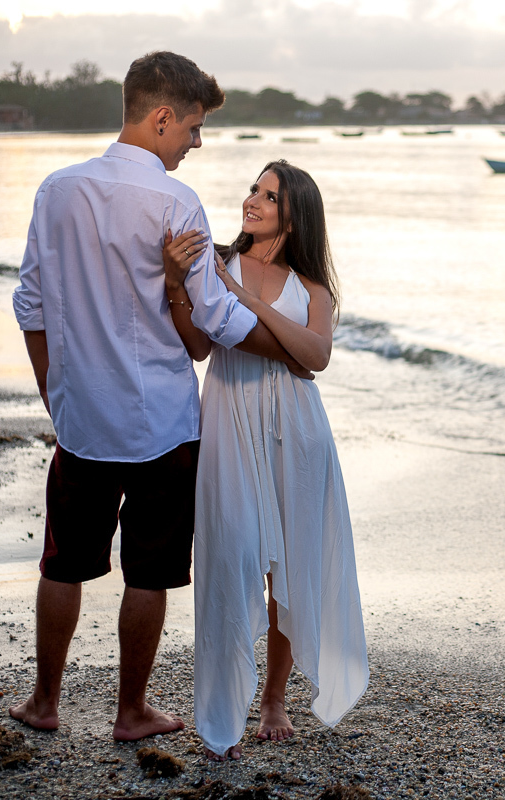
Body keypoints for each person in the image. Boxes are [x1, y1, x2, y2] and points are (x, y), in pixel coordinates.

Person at [9, 51, 306, 741]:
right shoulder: (176, 202)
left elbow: (30, 305)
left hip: (81, 421)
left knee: (63, 561)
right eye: (194, 128)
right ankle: (131, 712)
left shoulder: (57, 189)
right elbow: (217, 320)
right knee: (149, 570)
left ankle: (44, 703)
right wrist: (298, 349)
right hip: (165, 427)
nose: (197, 143)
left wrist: (54, 391)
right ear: (163, 117)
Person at [162, 160, 368, 761]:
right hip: (228, 414)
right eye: (253, 187)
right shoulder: (213, 260)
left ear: (293, 212)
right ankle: (223, 702)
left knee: (289, 566)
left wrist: (247, 303)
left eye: (268, 194)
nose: (252, 198)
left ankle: (275, 698)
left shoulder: (313, 289)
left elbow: (319, 357)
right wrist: (180, 284)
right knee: (229, 555)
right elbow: (201, 344)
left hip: (298, 430)